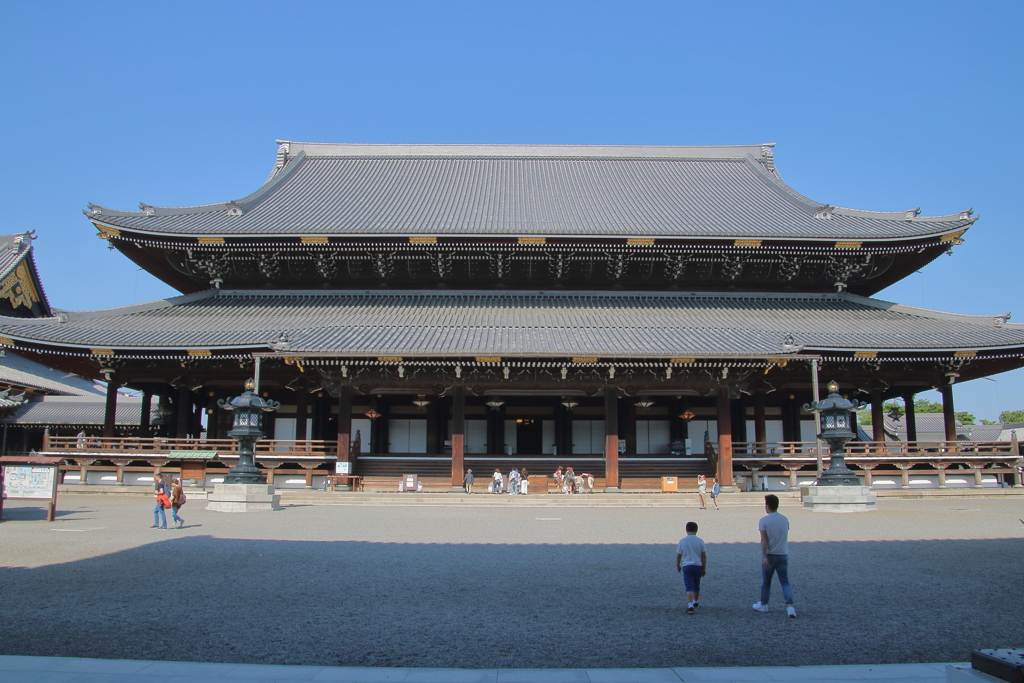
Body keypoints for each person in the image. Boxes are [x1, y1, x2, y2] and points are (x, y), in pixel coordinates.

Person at [753, 494, 796, 618]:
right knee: (784, 581)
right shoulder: (784, 519)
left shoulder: (764, 520)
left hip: (771, 554)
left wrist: (764, 556)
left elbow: (764, 540)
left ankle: (764, 603)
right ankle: (790, 606)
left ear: (767, 506)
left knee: (766, 581)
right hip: (783, 553)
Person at [676, 521, 707, 615]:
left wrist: (678, 565)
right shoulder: (700, 541)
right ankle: (695, 602)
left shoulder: (682, 541)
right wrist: (704, 568)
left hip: (687, 565)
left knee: (689, 586)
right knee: (696, 584)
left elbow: (678, 555)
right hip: (698, 565)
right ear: (696, 530)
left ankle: (690, 606)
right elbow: (704, 556)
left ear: (686, 530)